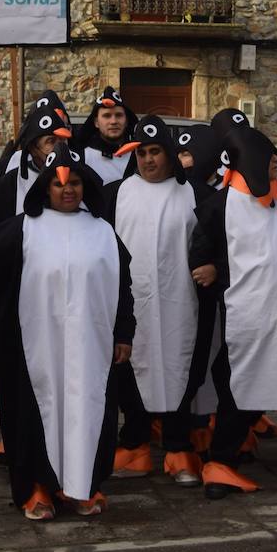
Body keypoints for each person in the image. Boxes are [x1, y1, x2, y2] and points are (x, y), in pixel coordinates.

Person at [0, 143, 134, 521]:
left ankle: (82, 485)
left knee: (89, 408)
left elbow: (123, 287)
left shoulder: (103, 233)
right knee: (36, 412)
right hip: (37, 346)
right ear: (45, 188)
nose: (67, 190)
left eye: (74, 184)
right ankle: (37, 487)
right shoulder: (19, 233)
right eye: (57, 184)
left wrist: (123, 334)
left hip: (91, 346)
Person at [188, 126, 277, 499]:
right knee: (241, 389)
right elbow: (201, 253)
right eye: (267, 157)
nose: (275, 162)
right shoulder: (219, 205)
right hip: (247, 317)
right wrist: (216, 269)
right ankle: (220, 464)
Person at [102, 116, 213, 487]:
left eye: (156, 152)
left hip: (182, 302)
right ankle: (135, 442)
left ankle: (179, 445)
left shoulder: (196, 194)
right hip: (131, 304)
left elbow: (219, 241)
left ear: (169, 154)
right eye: (143, 153)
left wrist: (214, 266)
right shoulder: (114, 194)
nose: (149, 160)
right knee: (130, 366)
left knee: (181, 365)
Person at [0, 106, 74, 228]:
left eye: (62, 141)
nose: (59, 147)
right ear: (33, 148)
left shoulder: (77, 179)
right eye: (51, 141)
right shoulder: (11, 183)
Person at [73, 86, 137, 184]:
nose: (113, 121)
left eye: (119, 115)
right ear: (96, 122)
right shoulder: (81, 158)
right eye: (107, 116)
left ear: (127, 121)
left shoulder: (139, 155)